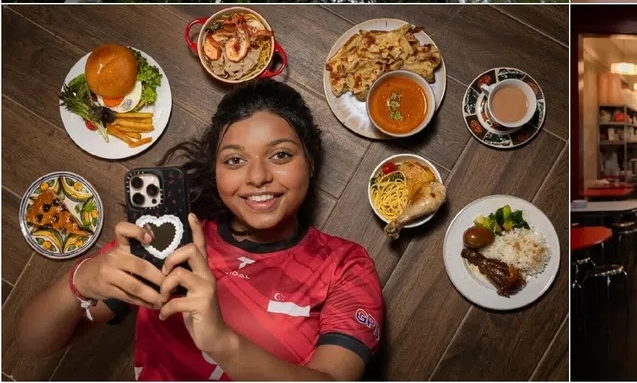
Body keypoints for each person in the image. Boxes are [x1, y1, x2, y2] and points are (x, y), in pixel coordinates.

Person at [14, 80, 384, 381]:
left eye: (281, 155)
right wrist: (81, 281)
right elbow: (31, 343)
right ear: (216, 172)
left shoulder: (344, 265)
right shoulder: (167, 238)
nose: (257, 177)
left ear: (311, 163)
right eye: (235, 160)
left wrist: (223, 341)